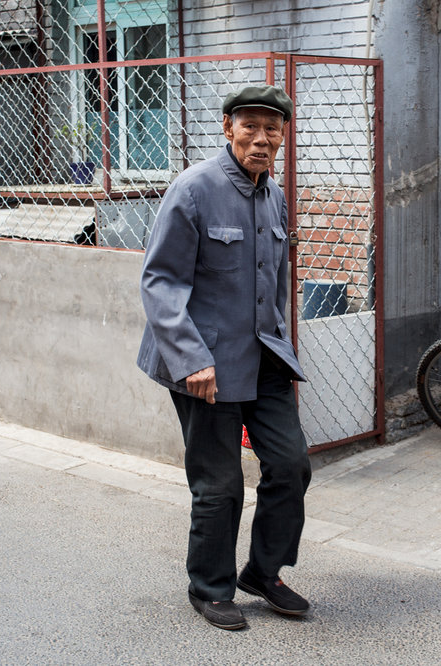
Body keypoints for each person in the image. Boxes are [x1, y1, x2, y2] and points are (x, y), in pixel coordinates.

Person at [137, 85, 311, 631]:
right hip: (203, 363)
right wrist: (191, 358)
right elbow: (160, 281)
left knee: (290, 465)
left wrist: (281, 345)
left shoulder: (273, 194)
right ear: (228, 126)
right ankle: (210, 587)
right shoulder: (193, 190)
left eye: (272, 129)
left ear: (283, 136)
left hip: (262, 359)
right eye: (250, 126)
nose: (261, 138)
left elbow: (274, 282)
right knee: (220, 483)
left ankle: (263, 571)